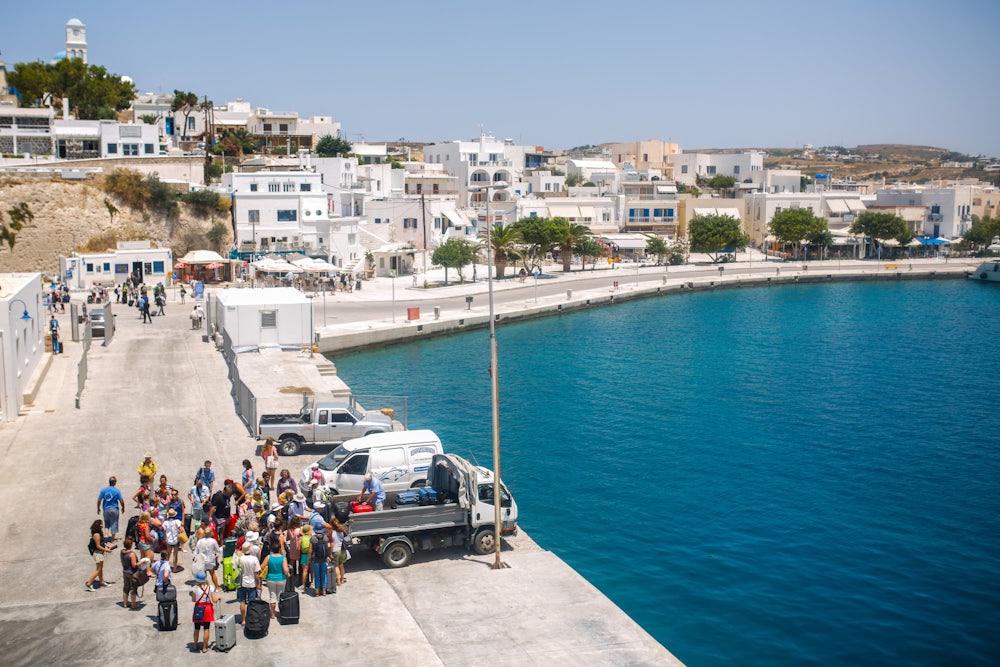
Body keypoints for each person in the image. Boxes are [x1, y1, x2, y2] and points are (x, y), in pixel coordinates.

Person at [190, 570, 219, 653]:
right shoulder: (210, 587)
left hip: (198, 608)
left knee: (197, 628)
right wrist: (218, 598)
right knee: (206, 628)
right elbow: (214, 599)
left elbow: (193, 600)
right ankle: (205, 647)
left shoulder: (195, 588)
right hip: (207, 608)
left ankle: (195, 644)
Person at [86, 519, 116, 591]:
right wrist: (107, 550)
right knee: (98, 569)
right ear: (99, 525)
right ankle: (89, 583)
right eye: (101, 524)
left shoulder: (99, 533)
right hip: (98, 553)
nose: (103, 525)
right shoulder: (96, 535)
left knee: (100, 569)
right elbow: (98, 546)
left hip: (100, 553)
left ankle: (101, 581)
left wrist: (107, 546)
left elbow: (102, 542)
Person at [120, 537, 149, 610]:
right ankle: (133, 604)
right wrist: (142, 562)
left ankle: (125, 603)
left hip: (125, 571)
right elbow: (134, 565)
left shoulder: (122, 552)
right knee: (133, 588)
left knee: (126, 588)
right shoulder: (131, 554)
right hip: (132, 573)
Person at [236, 541, 261, 624]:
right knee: (251, 603)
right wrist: (258, 584)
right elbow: (256, 573)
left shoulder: (239, 558)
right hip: (251, 583)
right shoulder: (254, 559)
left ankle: (243, 619)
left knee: (242, 601)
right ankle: (251, 619)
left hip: (241, 583)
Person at [263, 539, 289, 618]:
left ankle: (272, 614)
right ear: (279, 549)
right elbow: (285, 570)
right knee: (280, 597)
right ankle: (281, 613)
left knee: (272, 596)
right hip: (281, 579)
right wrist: (288, 573)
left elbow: (261, 567)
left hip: (270, 579)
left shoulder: (268, 557)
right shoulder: (283, 558)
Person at [310, 526, 330, 595]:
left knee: (316, 575)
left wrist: (309, 559)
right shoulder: (325, 537)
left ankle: (317, 592)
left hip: (315, 559)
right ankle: (324, 591)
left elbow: (310, 550)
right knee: (324, 574)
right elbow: (327, 548)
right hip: (324, 559)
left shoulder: (313, 538)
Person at [331, 519, 349, 587]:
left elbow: (332, 544)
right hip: (343, 550)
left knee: (336, 566)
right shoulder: (342, 531)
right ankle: (342, 579)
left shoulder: (332, 533)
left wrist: (330, 553)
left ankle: (338, 581)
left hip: (336, 550)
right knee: (341, 565)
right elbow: (347, 537)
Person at [298, 524, 313, 589]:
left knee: (304, 570)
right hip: (311, 555)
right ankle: (312, 583)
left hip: (304, 554)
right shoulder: (311, 538)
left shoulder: (301, 538)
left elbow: (298, 548)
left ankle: (303, 585)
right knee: (312, 570)